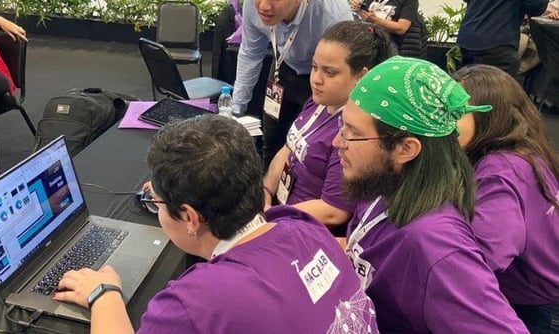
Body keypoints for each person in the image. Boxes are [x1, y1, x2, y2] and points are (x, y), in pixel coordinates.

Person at [53, 115, 379, 333]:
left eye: (159, 203)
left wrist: (104, 294)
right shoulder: (305, 226)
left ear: (191, 217)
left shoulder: (195, 302)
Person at [336, 56, 529, 332]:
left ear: (406, 149)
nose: (337, 142)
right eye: (341, 127)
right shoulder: (383, 185)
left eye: (352, 134)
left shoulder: (435, 244)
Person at [453, 64, 559, 334]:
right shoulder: (526, 151)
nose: (444, 124)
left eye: (455, 113)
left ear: (491, 116)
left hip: (536, 307)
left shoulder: (498, 169)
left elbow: (487, 253)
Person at [263, 21, 395, 230]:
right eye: (314, 67)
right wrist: (266, 194)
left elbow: (334, 210)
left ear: (361, 76)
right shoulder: (320, 102)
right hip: (282, 213)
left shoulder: (353, 132)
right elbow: (289, 148)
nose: (316, 79)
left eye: (330, 72)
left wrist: (272, 219)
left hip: (307, 230)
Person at [233, 0, 352, 168]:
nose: (264, 6)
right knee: (271, 141)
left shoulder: (332, 16)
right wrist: (236, 109)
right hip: (282, 68)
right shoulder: (253, 6)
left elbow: (344, 72)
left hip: (321, 77)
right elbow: (250, 53)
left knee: (307, 147)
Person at [457, 0, 547, 77]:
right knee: (498, 93)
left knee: (471, 88)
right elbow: (536, 6)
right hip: (497, 41)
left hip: (469, 36)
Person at [350, 0, 427, 59]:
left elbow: (401, 28)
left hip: (400, 50)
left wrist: (376, 20)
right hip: (374, 49)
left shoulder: (409, 1)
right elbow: (367, 19)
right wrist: (359, 9)